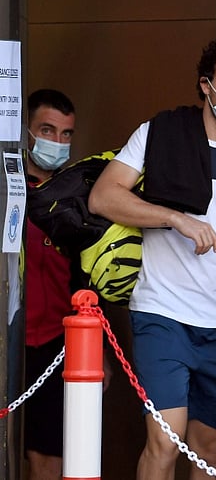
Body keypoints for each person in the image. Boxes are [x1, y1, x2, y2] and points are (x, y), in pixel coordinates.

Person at [88, 33, 216, 480]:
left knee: (210, 448)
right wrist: (174, 218)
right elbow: (103, 197)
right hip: (162, 313)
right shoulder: (159, 133)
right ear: (206, 85)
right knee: (165, 439)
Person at [22, 88, 79, 480]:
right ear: (26, 131)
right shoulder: (9, 190)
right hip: (10, 340)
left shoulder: (77, 198)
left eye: (65, 134)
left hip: (56, 345)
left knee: (50, 458)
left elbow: (86, 280)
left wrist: (101, 356)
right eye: (47, 130)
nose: (57, 142)